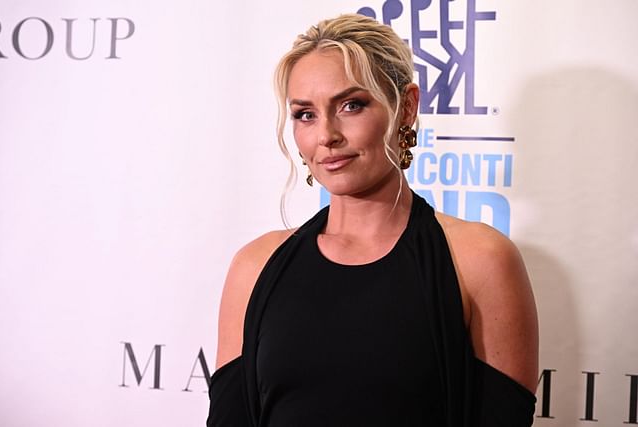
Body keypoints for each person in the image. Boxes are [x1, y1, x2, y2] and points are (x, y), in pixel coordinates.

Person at [208, 13, 538, 427]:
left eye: (351, 105)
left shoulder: (479, 259)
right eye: (305, 114)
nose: (326, 135)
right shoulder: (255, 266)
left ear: (407, 107)